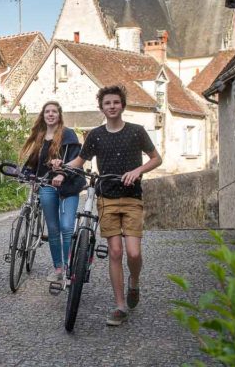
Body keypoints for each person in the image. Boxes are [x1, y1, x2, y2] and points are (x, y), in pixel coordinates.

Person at [63, 85, 162, 326]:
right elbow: (80, 160)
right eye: (107, 103)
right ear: (102, 107)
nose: (112, 106)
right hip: (106, 198)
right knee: (115, 252)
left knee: (134, 252)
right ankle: (119, 306)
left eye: (116, 102)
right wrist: (61, 167)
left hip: (132, 198)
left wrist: (138, 171)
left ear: (122, 105)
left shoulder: (137, 132)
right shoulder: (95, 135)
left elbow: (157, 158)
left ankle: (134, 282)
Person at [18, 101, 82, 285]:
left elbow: (76, 160)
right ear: (43, 115)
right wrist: (26, 174)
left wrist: (62, 173)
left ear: (59, 115)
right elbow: (34, 162)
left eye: (54, 111)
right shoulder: (40, 136)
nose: (51, 114)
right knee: (53, 229)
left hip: (69, 186)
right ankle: (58, 269)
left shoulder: (68, 134)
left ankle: (70, 269)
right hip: (47, 185)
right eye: (47, 111)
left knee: (67, 227)